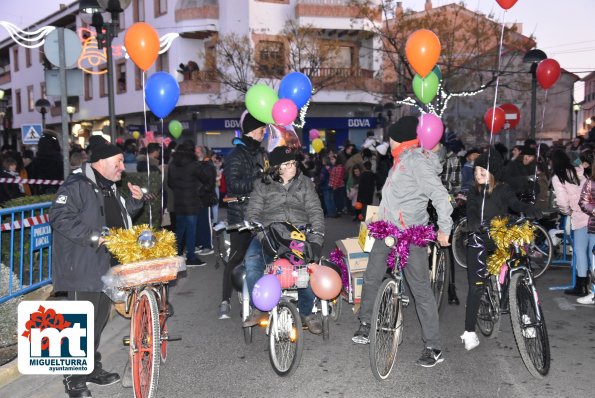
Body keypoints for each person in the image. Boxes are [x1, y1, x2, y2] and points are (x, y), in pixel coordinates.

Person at [352, 116, 452, 368]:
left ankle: (434, 346)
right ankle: (366, 323)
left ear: (400, 139)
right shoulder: (399, 160)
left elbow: (440, 196)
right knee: (373, 275)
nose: (388, 141)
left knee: (420, 289)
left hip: (410, 234)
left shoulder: (417, 161)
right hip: (386, 230)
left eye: (391, 136)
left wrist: (444, 229)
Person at [49, 143, 145, 398]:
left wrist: (135, 202)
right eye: (119, 161)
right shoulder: (77, 184)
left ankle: (91, 367)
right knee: (80, 325)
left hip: (106, 266)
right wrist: (94, 237)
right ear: (101, 161)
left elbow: (119, 217)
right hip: (83, 267)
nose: (123, 168)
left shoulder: (109, 187)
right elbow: (58, 217)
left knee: (97, 322)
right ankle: (73, 379)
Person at [461, 150, 541, 351]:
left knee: (519, 269)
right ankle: (469, 331)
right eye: (477, 169)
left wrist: (529, 209)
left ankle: (524, 315)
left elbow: (515, 204)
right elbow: (470, 209)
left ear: (493, 172)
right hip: (479, 238)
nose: (478, 173)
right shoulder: (474, 192)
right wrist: (472, 223)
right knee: (476, 285)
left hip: (501, 237)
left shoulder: (503, 189)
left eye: (483, 170)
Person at [243, 146, 325, 333]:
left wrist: (316, 240)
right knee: (252, 261)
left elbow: (315, 212)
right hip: (269, 232)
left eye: (294, 163)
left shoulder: (305, 183)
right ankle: (259, 306)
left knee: (306, 266)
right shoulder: (262, 184)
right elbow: (253, 212)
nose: (292, 167)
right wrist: (261, 234)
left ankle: (306, 312)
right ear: (276, 167)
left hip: (298, 233)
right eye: (287, 164)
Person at [219, 111, 267, 319]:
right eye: (261, 130)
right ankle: (225, 299)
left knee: (265, 253)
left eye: (264, 130)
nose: (264, 133)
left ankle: (261, 294)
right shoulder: (235, 155)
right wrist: (258, 179)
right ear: (251, 131)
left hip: (262, 213)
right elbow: (233, 186)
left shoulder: (261, 153)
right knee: (237, 257)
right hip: (241, 216)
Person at [550, 149, 589, 296]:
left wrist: (568, 211)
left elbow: (562, 200)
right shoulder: (579, 171)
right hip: (592, 213)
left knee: (580, 251)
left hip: (580, 216)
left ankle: (582, 286)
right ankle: (589, 287)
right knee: (591, 252)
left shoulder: (557, 177)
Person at [167, 140, 209, 267]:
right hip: (191, 201)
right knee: (191, 231)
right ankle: (191, 257)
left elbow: (170, 183)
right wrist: (198, 190)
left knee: (180, 230)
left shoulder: (172, 164)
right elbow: (206, 179)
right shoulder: (194, 165)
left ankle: (177, 254)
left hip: (178, 201)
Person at [578, 165, 595, 304]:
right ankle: (594, 292)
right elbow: (583, 202)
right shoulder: (590, 182)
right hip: (594, 228)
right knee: (594, 263)